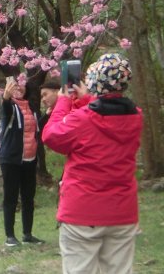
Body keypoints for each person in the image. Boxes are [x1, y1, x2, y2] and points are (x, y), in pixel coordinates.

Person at [43, 53, 143, 274]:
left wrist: (63, 101)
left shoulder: (82, 119)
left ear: (94, 82)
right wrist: (88, 99)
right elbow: (106, 115)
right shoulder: (136, 116)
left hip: (82, 212)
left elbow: (51, 135)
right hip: (122, 212)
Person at [0, 76, 42, 246]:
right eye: (15, 85)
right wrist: (6, 98)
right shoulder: (10, 107)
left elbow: (39, 126)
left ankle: (27, 234)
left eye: (22, 85)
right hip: (11, 160)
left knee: (28, 197)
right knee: (11, 197)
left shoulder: (31, 107)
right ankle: (10, 236)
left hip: (29, 159)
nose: (19, 88)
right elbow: (5, 113)